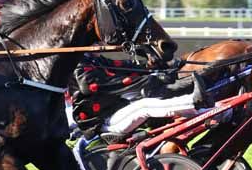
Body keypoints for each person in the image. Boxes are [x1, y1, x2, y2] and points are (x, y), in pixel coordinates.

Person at [70, 54, 215, 143]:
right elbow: (95, 85)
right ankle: (193, 101)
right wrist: (150, 78)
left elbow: (124, 66)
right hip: (104, 125)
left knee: (150, 98)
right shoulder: (80, 65)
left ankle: (218, 112)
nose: (98, 45)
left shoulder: (93, 60)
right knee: (145, 105)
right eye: (94, 43)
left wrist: (150, 66)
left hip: (117, 112)